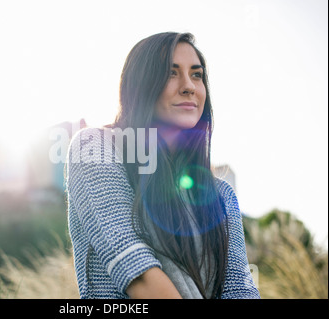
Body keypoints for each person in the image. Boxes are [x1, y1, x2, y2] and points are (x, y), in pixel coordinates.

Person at [65, 32, 260, 299]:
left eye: (197, 75)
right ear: (142, 84)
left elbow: (241, 290)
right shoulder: (94, 148)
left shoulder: (222, 196)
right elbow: (135, 269)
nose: (188, 86)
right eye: (171, 73)